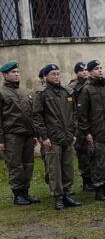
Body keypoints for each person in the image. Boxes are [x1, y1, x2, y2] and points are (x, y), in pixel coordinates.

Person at [32, 64, 80, 210]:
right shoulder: (41, 94)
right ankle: (58, 196)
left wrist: (74, 133)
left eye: (58, 74)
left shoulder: (67, 92)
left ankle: (67, 193)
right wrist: (44, 137)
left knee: (67, 167)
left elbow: (74, 114)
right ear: (46, 76)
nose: (56, 76)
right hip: (52, 138)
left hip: (67, 136)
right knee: (54, 169)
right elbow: (37, 117)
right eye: (53, 74)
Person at [78, 60, 105, 201]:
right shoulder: (86, 90)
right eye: (96, 69)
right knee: (98, 161)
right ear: (90, 72)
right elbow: (82, 115)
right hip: (96, 133)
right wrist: (87, 133)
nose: (100, 71)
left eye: (101, 68)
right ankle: (99, 188)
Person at [0, 61, 40, 205]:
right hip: (12, 135)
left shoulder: (24, 92)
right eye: (13, 72)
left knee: (28, 164)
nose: (16, 74)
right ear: (5, 75)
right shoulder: (2, 93)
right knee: (15, 165)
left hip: (28, 134)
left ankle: (26, 192)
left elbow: (30, 114)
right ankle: (17, 194)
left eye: (17, 72)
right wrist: (1, 140)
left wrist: (34, 134)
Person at [68, 61, 92, 190]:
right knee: (83, 153)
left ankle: (93, 177)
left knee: (92, 152)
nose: (85, 72)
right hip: (79, 123)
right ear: (76, 72)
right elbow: (71, 108)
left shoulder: (90, 84)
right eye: (82, 70)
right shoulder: (73, 87)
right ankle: (86, 180)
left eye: (86, 70)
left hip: (91, 122)